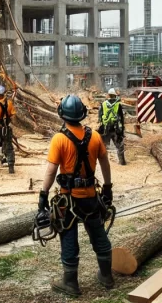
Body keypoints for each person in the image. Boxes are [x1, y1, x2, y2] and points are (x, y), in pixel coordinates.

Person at [40, 94, 114, 296]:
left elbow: (50, 171)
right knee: (98, 232)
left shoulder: (59, 139)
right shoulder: (96, 137)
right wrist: (107, 189)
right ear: (82, 113)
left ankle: (70, 283)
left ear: (62, 114)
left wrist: (42, 196)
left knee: (68, 235)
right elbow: (105, 165)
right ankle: (107, 276)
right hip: (91, 197)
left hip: (68, 199)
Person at [98, 88, 126, 165]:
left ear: (108, 95)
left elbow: (100, 117)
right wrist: (122, 129)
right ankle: (122, 162)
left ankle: (103, 163)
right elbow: (121, 118)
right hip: (116, 128)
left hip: (105, 128)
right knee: (119, 146)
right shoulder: (118, 105)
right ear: (114, 95)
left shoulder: (103, 104)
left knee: (103, 147)